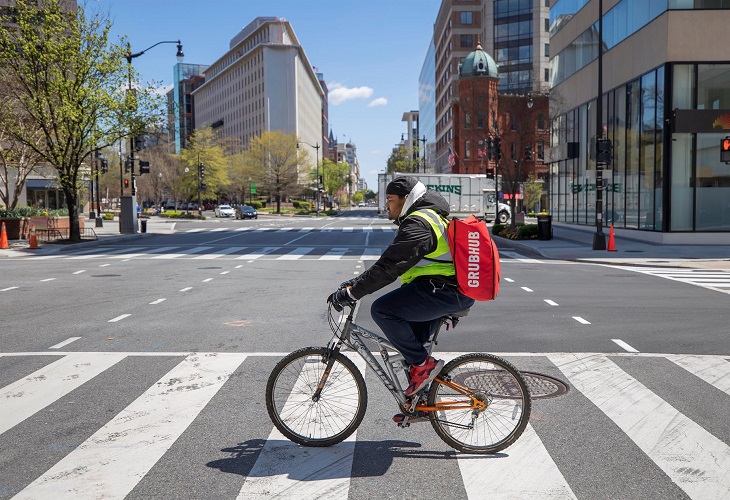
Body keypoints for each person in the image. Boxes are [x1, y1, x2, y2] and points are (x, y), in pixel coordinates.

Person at [327, 176, 475, 401]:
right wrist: (354, 284)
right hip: (441, 290)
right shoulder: (425, 218)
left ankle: (423, 367)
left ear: (406, 199)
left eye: (390, 199)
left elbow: (389, 268)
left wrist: (352, 293)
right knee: (411, 352)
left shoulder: (420, 223)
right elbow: (388, 262)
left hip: (443, 291)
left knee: (382, 310)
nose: (386, 204)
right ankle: (420, 401)